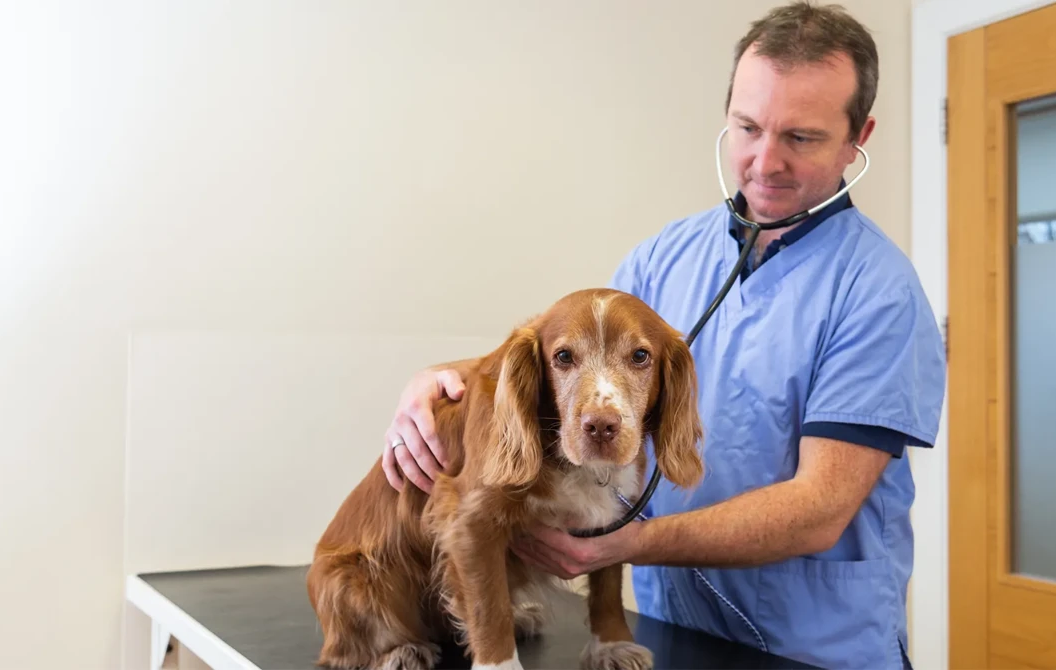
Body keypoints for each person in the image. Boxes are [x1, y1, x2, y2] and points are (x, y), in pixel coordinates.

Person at [379, 2, 945, 669]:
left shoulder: (878, 293)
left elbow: (819, 508)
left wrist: (618, 546)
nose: (764, 162)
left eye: (802, 137)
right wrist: (440, 378)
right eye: (748, 127)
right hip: (669, 629)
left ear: (859, 139)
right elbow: (568, 353)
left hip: (814, 648)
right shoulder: (662, 258)